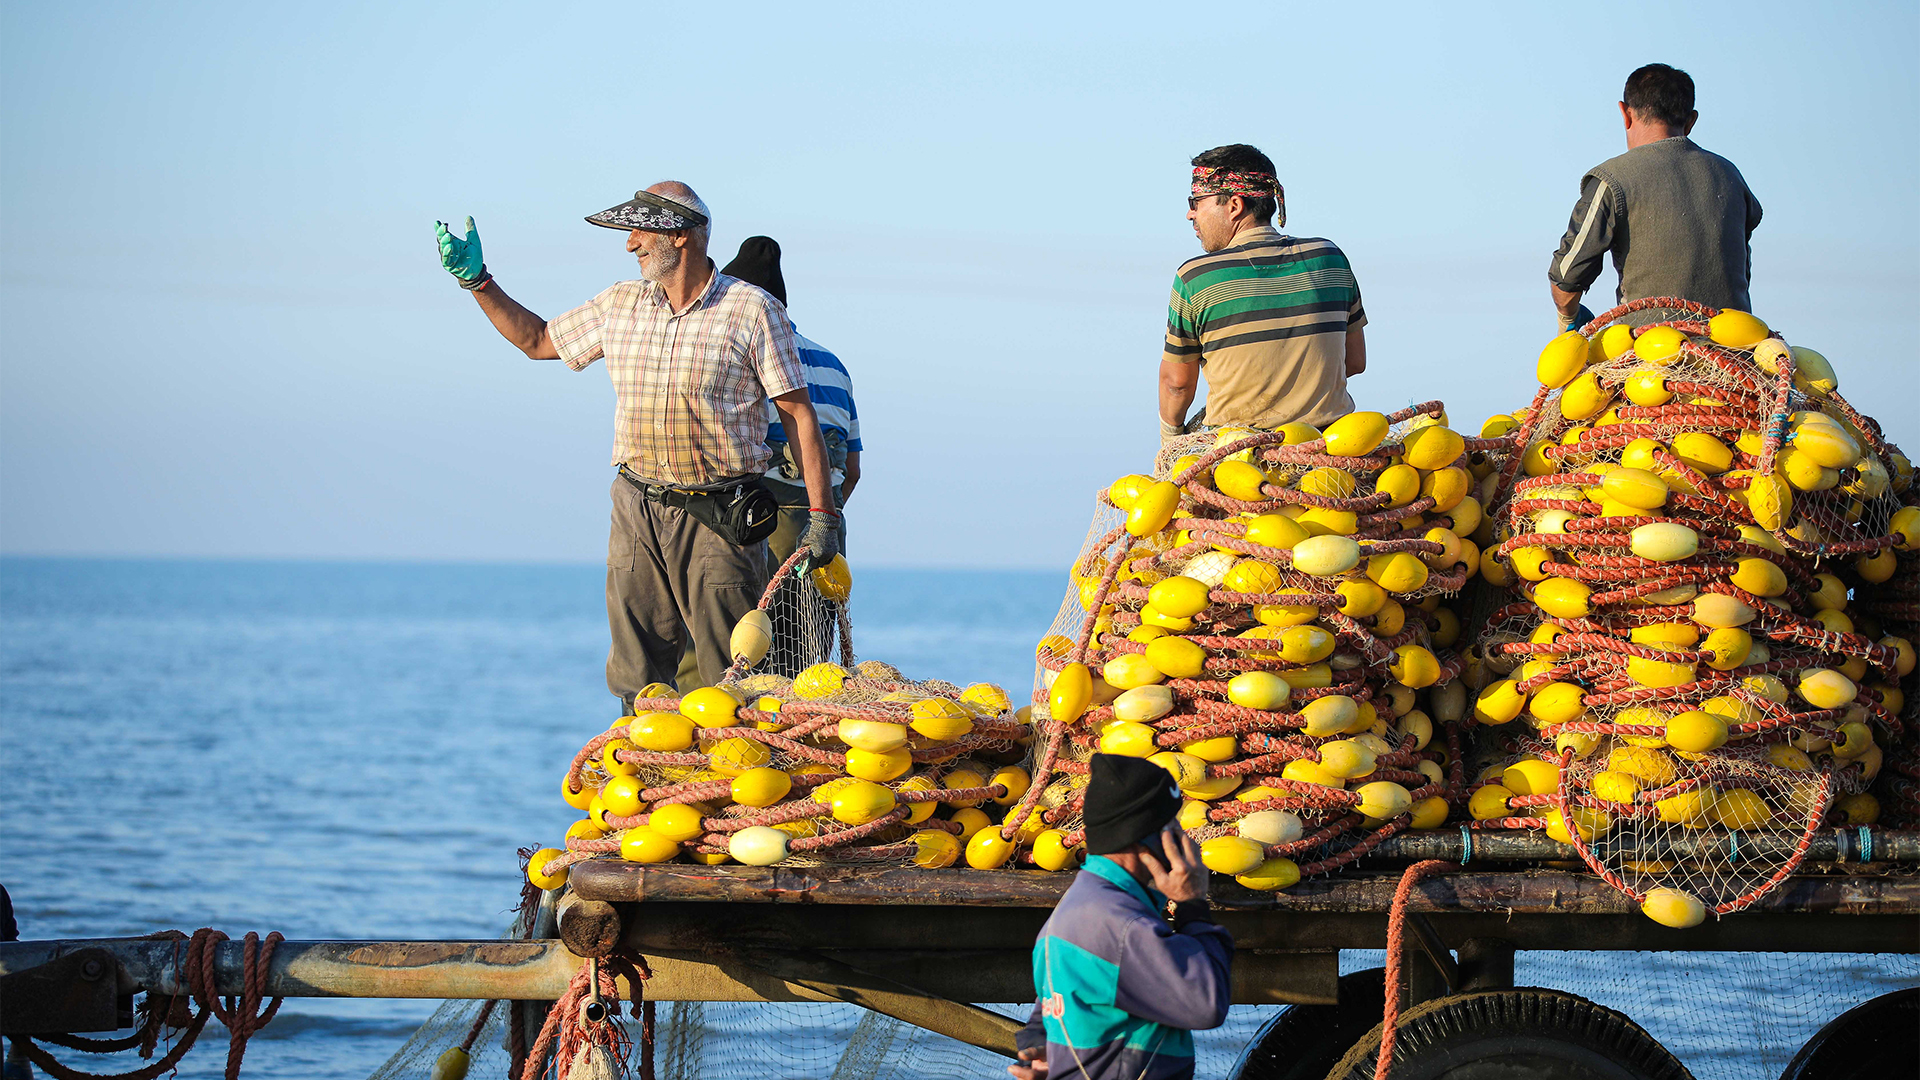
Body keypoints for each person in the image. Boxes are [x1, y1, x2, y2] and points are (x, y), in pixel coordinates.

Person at [433, 182, 840, 707]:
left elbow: (797, 413)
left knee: (731, 675)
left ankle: (728, 780)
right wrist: (478, 283)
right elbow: (537, 341)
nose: (630, 244)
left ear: (685, 236)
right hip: (636, 505)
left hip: (720, 513)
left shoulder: (753, 310)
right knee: (637, 671)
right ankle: (644, 768)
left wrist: (822, 517)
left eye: (640, 230)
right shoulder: (618, 304)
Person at [676, 235, 864, 685]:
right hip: (823, 533)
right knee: (805, 672)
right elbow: (851, 471)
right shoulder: (834, 366)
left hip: (748, 526)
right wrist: (817, 514)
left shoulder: (738, 354)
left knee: (719, 667)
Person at [1012, 754, 1232, 1080]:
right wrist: (1192, 904)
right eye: (1172, 826)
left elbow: (1057, 999)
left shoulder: (1086, 905)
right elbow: (1206, 1002)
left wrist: (1044, 1041)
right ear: (1142, 835)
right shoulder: (1120, 925)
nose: (1183, 837)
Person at [1158, 144, 1367, 448]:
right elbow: (1355, 360)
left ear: (1234, 205)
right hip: (1332, 448)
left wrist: (1171, 440)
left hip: (1237, 457)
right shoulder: (1330, 257)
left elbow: (1176, 385)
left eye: (1196, 201)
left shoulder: (1195, 277)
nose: (1190, 213)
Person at [1549, 63, 1763, 329]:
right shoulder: (1731, 175)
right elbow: (1742, 266)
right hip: (1735, 345)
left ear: (1625, 114)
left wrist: (1568, 317)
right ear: (1691, 121)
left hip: (1651, 350)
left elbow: (1566, 279)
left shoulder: (1611, 179)